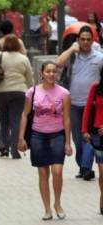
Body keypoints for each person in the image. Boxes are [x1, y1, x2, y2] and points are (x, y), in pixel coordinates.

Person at [18, 61, 72, 220]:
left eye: (54, 71)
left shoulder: (64, 93)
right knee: (43, 173)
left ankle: (58, 203)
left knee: (57, 171)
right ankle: (47, 209)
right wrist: (21, 138)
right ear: (41, 73)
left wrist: (68, 142)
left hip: (57, 135)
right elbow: (24, 115)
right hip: (37, 136)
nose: (51, 74)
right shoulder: (32, 92)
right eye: (48, 71)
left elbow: (67, 119)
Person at [56, 25, 103, 180]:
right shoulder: (72, 56)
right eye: (82, 39)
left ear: (93, 41)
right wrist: (71, 50)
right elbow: (58, 63)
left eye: (88, 40)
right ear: (77, 40)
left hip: (93, 106)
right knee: (77, 139)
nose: (85, 42)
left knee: (88, 137)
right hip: (73, 104)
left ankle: (85, 168)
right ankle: (83, 166)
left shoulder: (99, 57)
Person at [0, 34, 33, 158]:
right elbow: (29, 78)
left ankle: (3, 147)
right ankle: (15, 149)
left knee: (3, 120)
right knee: (16, 120)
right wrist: (31, 92)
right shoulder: (23, 58)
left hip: (1, 92)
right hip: (19, 92)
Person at [82, 72, 103, 215]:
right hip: (97, 136)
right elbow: (88, 109)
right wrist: (84, 130)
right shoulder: (96, 87)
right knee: (102, 171)